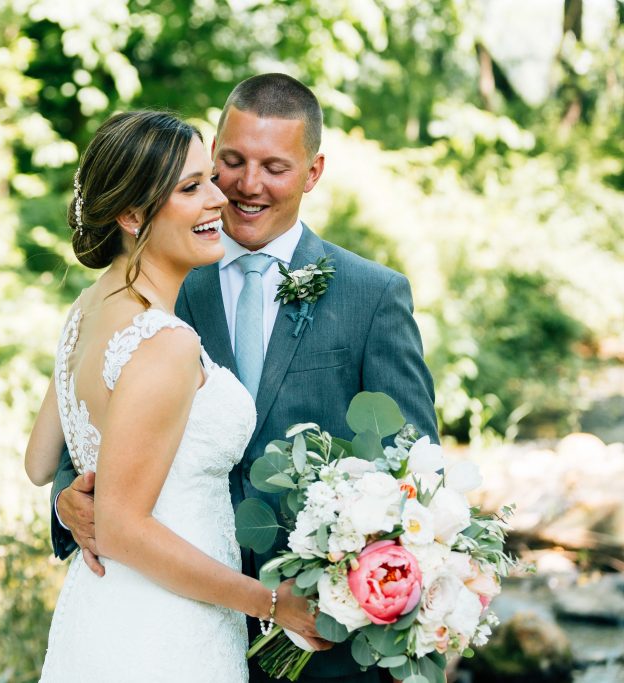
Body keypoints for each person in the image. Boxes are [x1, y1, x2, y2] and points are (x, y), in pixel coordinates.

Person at [51, 74, 439, 683]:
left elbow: (416, 472)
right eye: (229, 162)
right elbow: (91, 425)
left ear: (313, 173)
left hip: (321, 641)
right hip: (171, 616)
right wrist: (66, 501)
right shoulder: (157, 281)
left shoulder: (372, 295)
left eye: (274, 167)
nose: (246, 186)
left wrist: (418, 632)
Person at [25, 110, 328, 682]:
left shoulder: (87, 308)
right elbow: (122, 527)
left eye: (208, 178)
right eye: (192, 188)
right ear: (134, 215)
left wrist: (77, 495)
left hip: (100, 610)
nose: (219, 198)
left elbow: (40, 463)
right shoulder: (165, 341)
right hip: (166, 630)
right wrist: (271, 604)